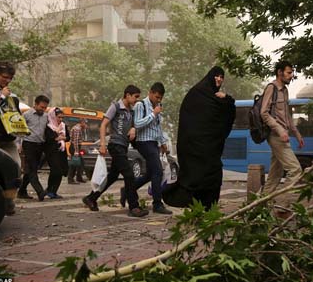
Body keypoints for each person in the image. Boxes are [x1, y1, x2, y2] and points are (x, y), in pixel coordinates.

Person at [162, 66, 235, 209]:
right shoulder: (196, 94)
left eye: (222, 77)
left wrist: (227, 98)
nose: (219, 79)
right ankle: (196, 208)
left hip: (210, 150)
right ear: (210, 76)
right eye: (217, 76)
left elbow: (228, 114)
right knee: (195, 179)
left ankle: (208, 210)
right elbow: (187, 120)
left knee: (213, 178)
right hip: (194, 150)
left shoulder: (217, 99)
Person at [82, 85, 148, 217]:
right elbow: (103, 125)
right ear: (127, 95)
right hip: (115, 145)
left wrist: (133, 128)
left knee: (112, 177)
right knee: (129, 175)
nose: (136, 100)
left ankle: (91, 198)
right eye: (135, 97)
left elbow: (134, 125)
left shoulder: (131, 111)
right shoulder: (116, 107)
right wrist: (102, 144)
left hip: (123, 146)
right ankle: (134, 207)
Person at [259, 60, 305, 199]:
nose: (291, 75)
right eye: (289, 72)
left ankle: (259, 208)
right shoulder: (271, 88)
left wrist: (297, 134)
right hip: (275, 135)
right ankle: (283, 207)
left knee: (275, 174)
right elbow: (263, 113)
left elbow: (287, 115)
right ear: (280, 72)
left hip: (283, 135)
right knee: (295, 170)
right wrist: (280, 130)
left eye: (292, 73)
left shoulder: (284, 90)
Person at [133, 82, 172, 214]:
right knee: (158, 171)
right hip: (143, 142)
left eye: (160, 98)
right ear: (150, 92)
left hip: (154, 143)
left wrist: (163, 143)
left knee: (150, 174)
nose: (158, 100)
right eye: (156, 97)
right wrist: (153, 114)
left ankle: (128, 189)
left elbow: (157, 127)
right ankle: (157, 203)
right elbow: (137, 124)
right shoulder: (140, 105)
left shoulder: (158, 107)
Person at [0, 61, 22, 215]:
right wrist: (1, 97)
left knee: (15, 170)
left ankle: (9, 201)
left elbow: (15, 118)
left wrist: (20, 134)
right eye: (5, 77)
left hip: (8, 140)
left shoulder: (11, 95)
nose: (7, 80)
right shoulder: (3, 94)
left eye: (10, 78)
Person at [19, 95, 50, 201]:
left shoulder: (46, 116)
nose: (43, 109)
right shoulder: (26, 115)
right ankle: (40, 191)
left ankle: (22, 191)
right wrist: (19, 145)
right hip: (29, 144)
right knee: (32, 169)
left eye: (45, 108)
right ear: (36, 104)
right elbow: (20, 131)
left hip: (40, 145)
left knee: (31, 169)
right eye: (41, 107)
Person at [43, 107, 69, 199]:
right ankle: (49, 189)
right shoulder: (48, 126)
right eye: (59, 117)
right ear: (53, 116)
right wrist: (58, 137)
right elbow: (49, 139)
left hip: (61, 151)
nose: (60, 119)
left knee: (61, 171)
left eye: (62, 117)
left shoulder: (63, 126)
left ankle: (53, 191)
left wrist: (59, 138)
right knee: (55, 171)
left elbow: (68, 137)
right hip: (51, 152)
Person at [67, 119, 87, 183]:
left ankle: (79, 177)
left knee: (80, 163)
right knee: (75, 163)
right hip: (74, 147)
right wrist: (76, 151)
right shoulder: (77, 129)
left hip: (76, 147)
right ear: (82, 122)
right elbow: (75, 141)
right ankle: (70, 179)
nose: (86, 125)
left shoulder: (80, 128)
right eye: (85, 123)